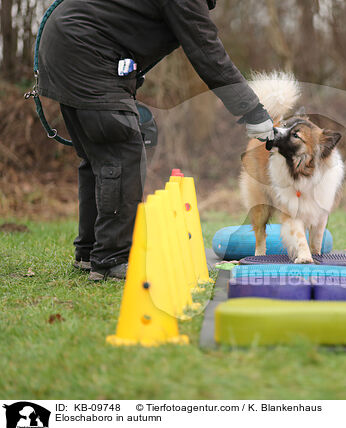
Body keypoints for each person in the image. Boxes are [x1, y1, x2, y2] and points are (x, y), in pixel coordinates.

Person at [37, 0, 273, 280]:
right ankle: (112, 258)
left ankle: (90, 252)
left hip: (66, 44)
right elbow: (207, 52)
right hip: (84, 49)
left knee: (99, 155)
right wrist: (252, 111)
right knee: (122, 153)